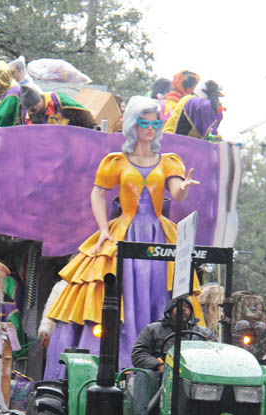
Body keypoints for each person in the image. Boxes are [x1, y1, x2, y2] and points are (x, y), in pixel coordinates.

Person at [43, 96, 200, 379]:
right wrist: (104, 229)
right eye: (144, 122)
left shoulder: (169, 162)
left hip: (158, 235)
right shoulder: (116, 161)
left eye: (155, 123)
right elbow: (97, 193)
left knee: (164, 288)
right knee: (113, 290)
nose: (150, 128)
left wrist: (184, 188)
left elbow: (176, 193)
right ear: (132, 125)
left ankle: (163, 360)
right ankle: (113, 365)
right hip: (124, 232)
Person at [131, 297, 215, 371]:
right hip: (160, 377)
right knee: (145, 375)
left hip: (194, 377)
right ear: (170, 309)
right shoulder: (153, 330)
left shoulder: (203, 333)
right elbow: (138, 354)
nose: (183, 309)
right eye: (179, 305)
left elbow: (215, 355)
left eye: (187, 307)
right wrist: (158, 365)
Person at [20, 86, 97, 129]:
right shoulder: (28, 115)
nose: (31, 112)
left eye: (33, 108)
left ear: (39, 100)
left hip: (71, 139)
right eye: (28, 110)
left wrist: (93, 128)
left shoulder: (59, 101)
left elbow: (83, 115)